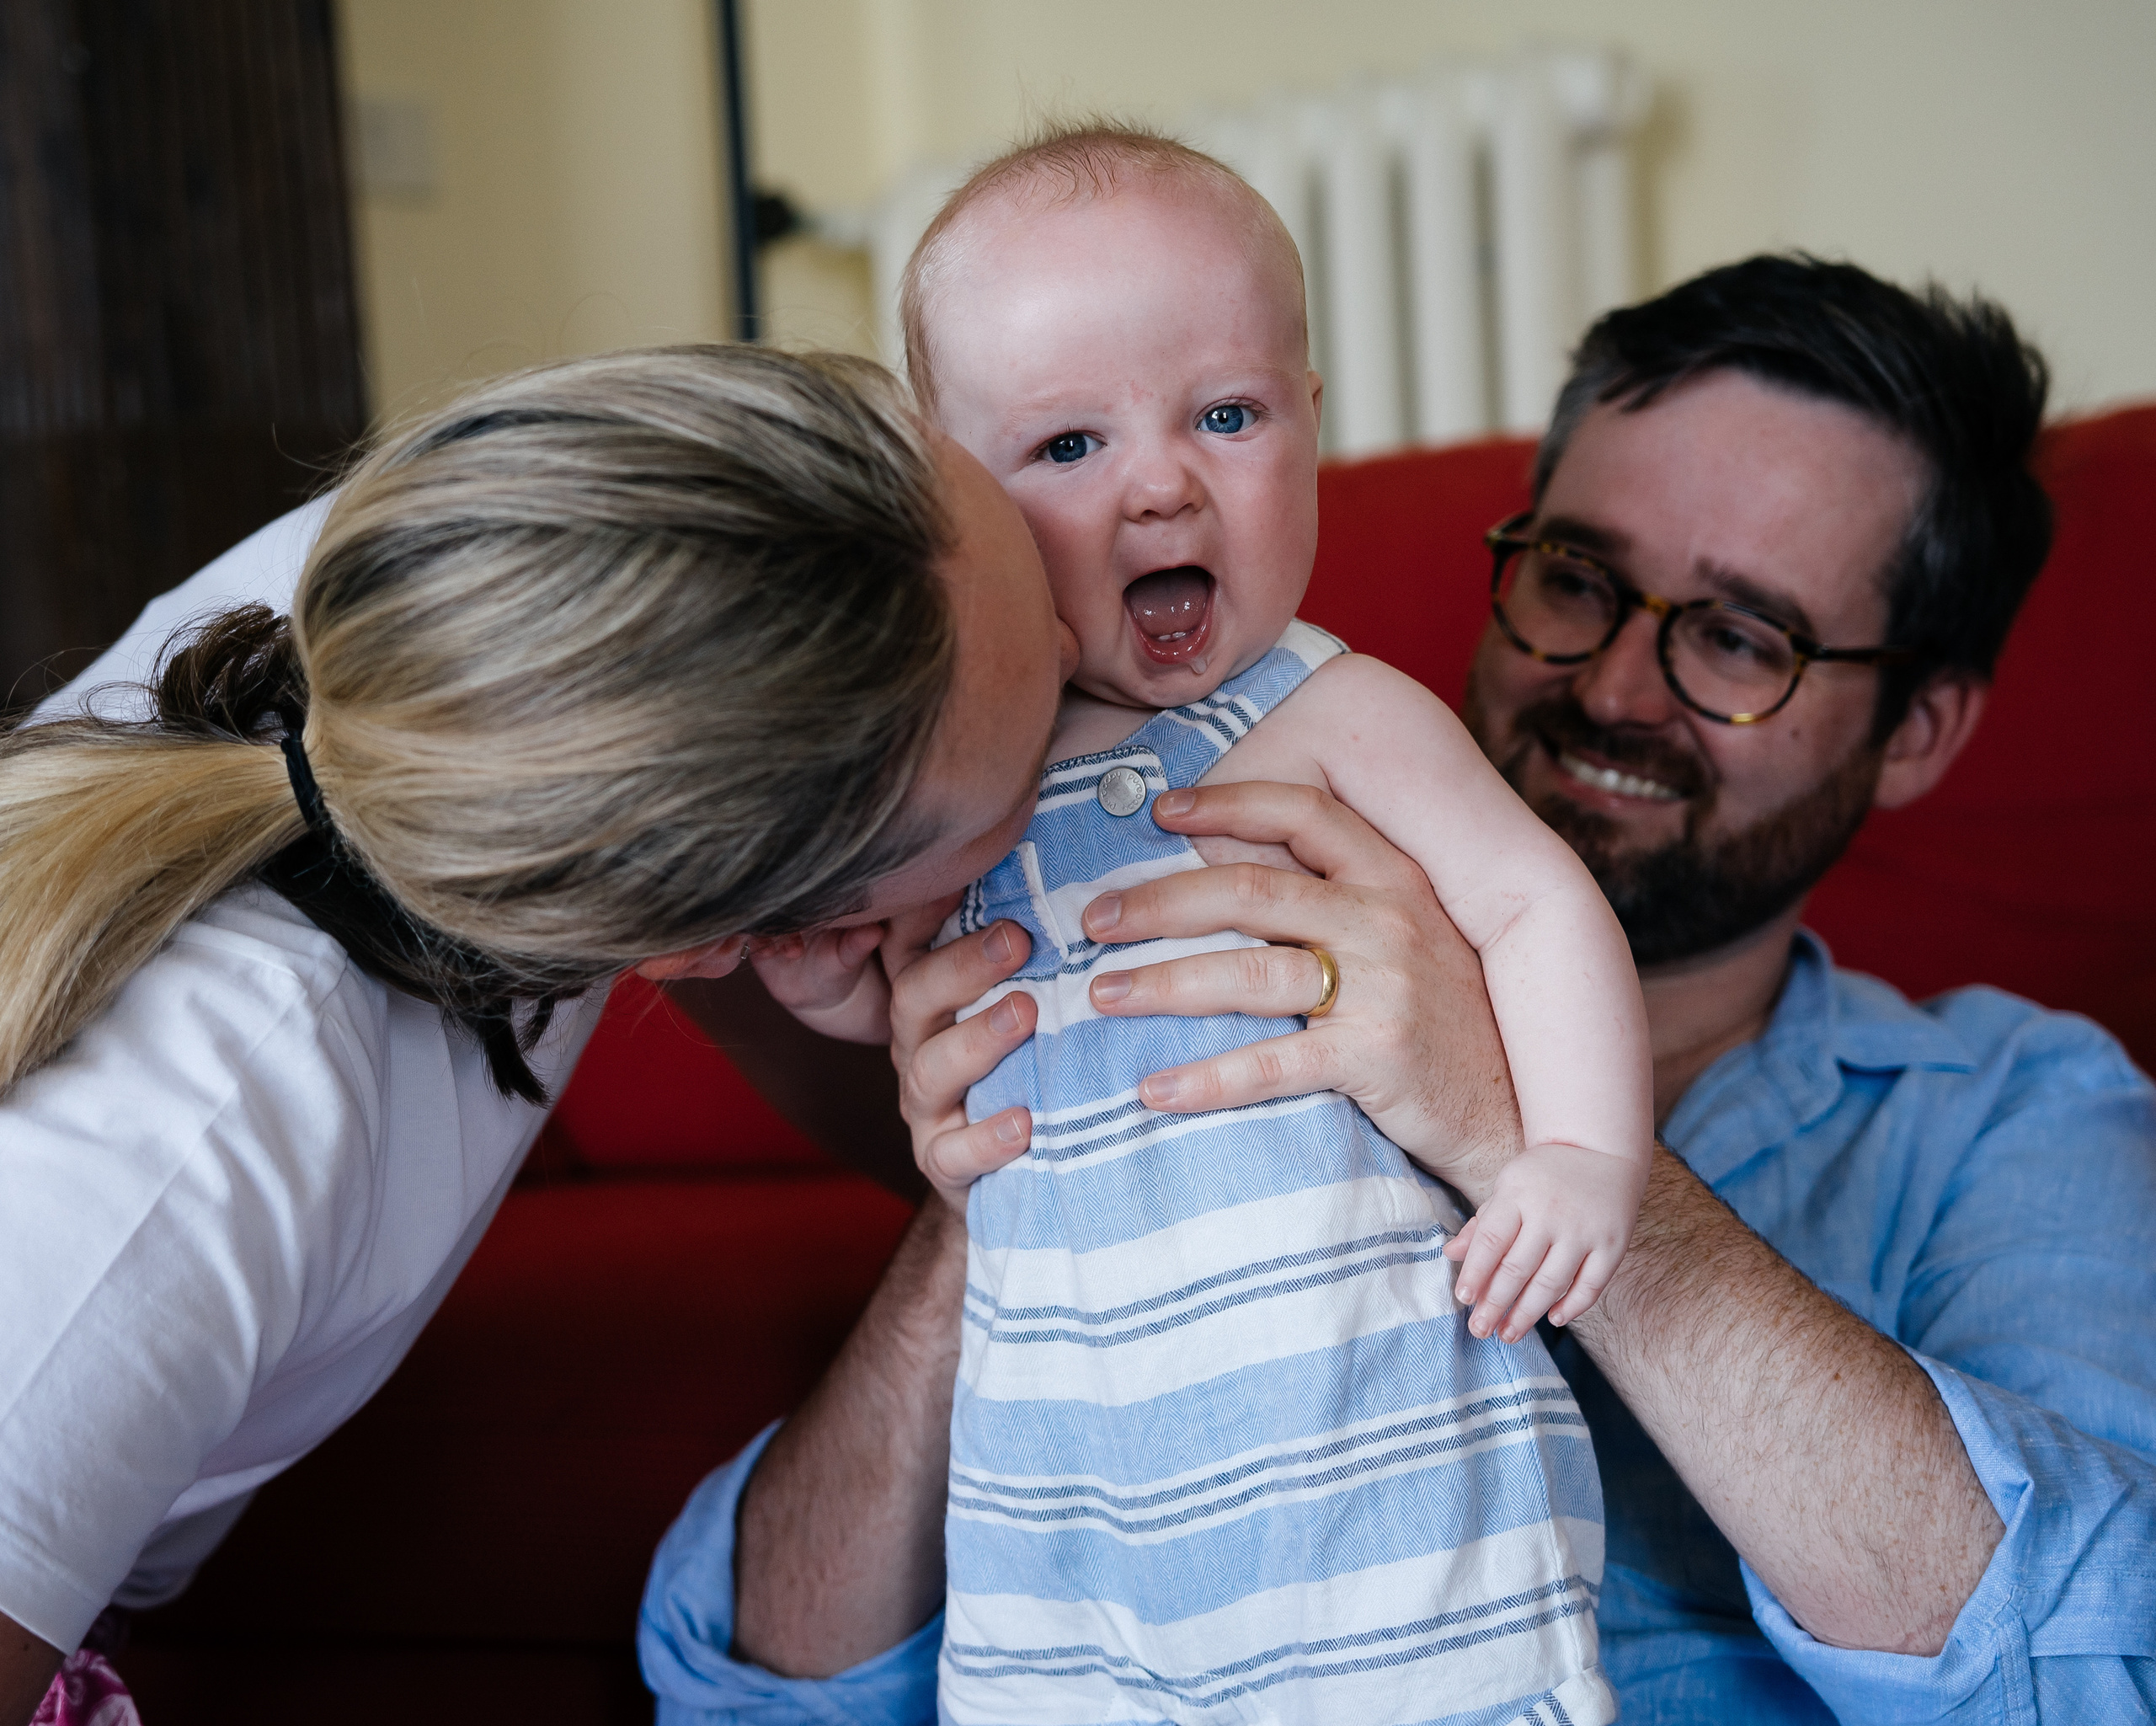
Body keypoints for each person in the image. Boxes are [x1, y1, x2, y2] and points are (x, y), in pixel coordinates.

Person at [637, 256, 2156, 1723]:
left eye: (1738, 638)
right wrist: (1006, 1175)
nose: (1617, 685)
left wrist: (1511, 1117)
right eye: (1578, 581)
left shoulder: (2015, 1111)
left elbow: (2098, 1675)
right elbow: (751, 1686)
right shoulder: (1134, 874)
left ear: (1920, 732)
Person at [0, 343, 1086, 1725]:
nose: (1079, 644)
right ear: (708, 931)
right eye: (1043, 726)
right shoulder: (178, 1156)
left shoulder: (548, 628)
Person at [751, 127, 1648, 1725]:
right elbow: (930, 1008)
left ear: (1313, 428)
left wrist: (1578, 1154)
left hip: (1369, 1473)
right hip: (1067, 1510)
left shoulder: (1329, 710)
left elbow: (1533, 900)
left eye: (1227, 415)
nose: (1161, 479)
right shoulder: (961, 756)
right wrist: (838, 983)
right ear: (942, 494)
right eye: (1068, 444)